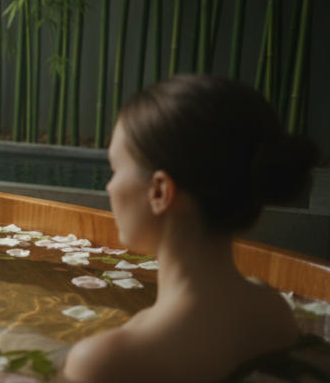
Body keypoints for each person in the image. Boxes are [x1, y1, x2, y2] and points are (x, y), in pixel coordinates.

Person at [59, 75, 319, 382]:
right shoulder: (274, 313)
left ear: (159, 192)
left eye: (115, 169)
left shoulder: (107, 362)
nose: (110, 186)